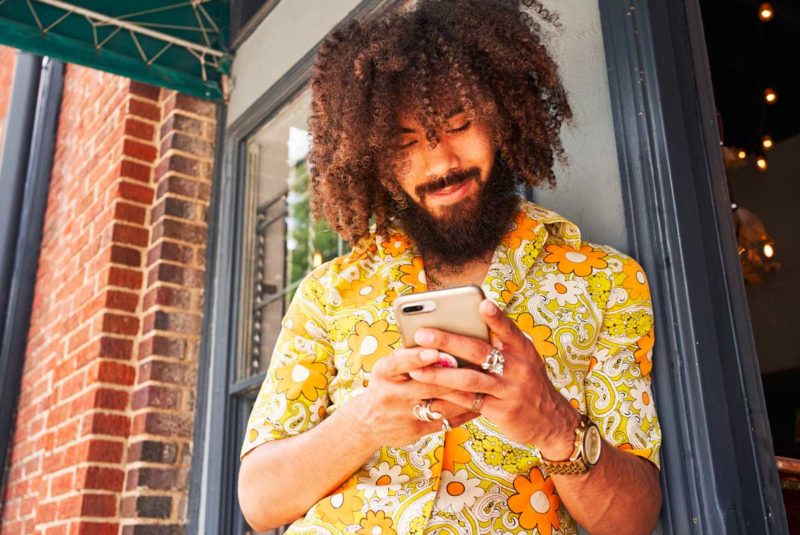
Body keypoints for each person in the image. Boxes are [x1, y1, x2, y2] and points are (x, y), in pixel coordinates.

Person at [238, 1, 663, 533]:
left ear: (503, 116)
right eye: (406, 143)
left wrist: (554, 424)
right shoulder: (330, 291)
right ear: (374, 158)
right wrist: (366, 422)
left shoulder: (606, 282)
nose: (441, 164)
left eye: (460, 125)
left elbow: (633, 521)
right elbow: (258, 501)